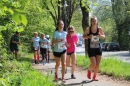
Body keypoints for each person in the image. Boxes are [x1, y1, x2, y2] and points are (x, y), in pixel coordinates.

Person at [82, 16, 105, 81]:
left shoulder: (99, 29)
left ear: (97, 22)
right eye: (93, 21)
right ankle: (89, 70)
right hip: (91, 48)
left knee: (97, 64)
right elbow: (83, 36)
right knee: (94, 64)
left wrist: (100, 35)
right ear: (91, 22)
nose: (94, 22)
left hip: (98, 48)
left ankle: (94, 76)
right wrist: (88, 36)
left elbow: (104, 36)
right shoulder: (88, 29)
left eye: (95, 21)